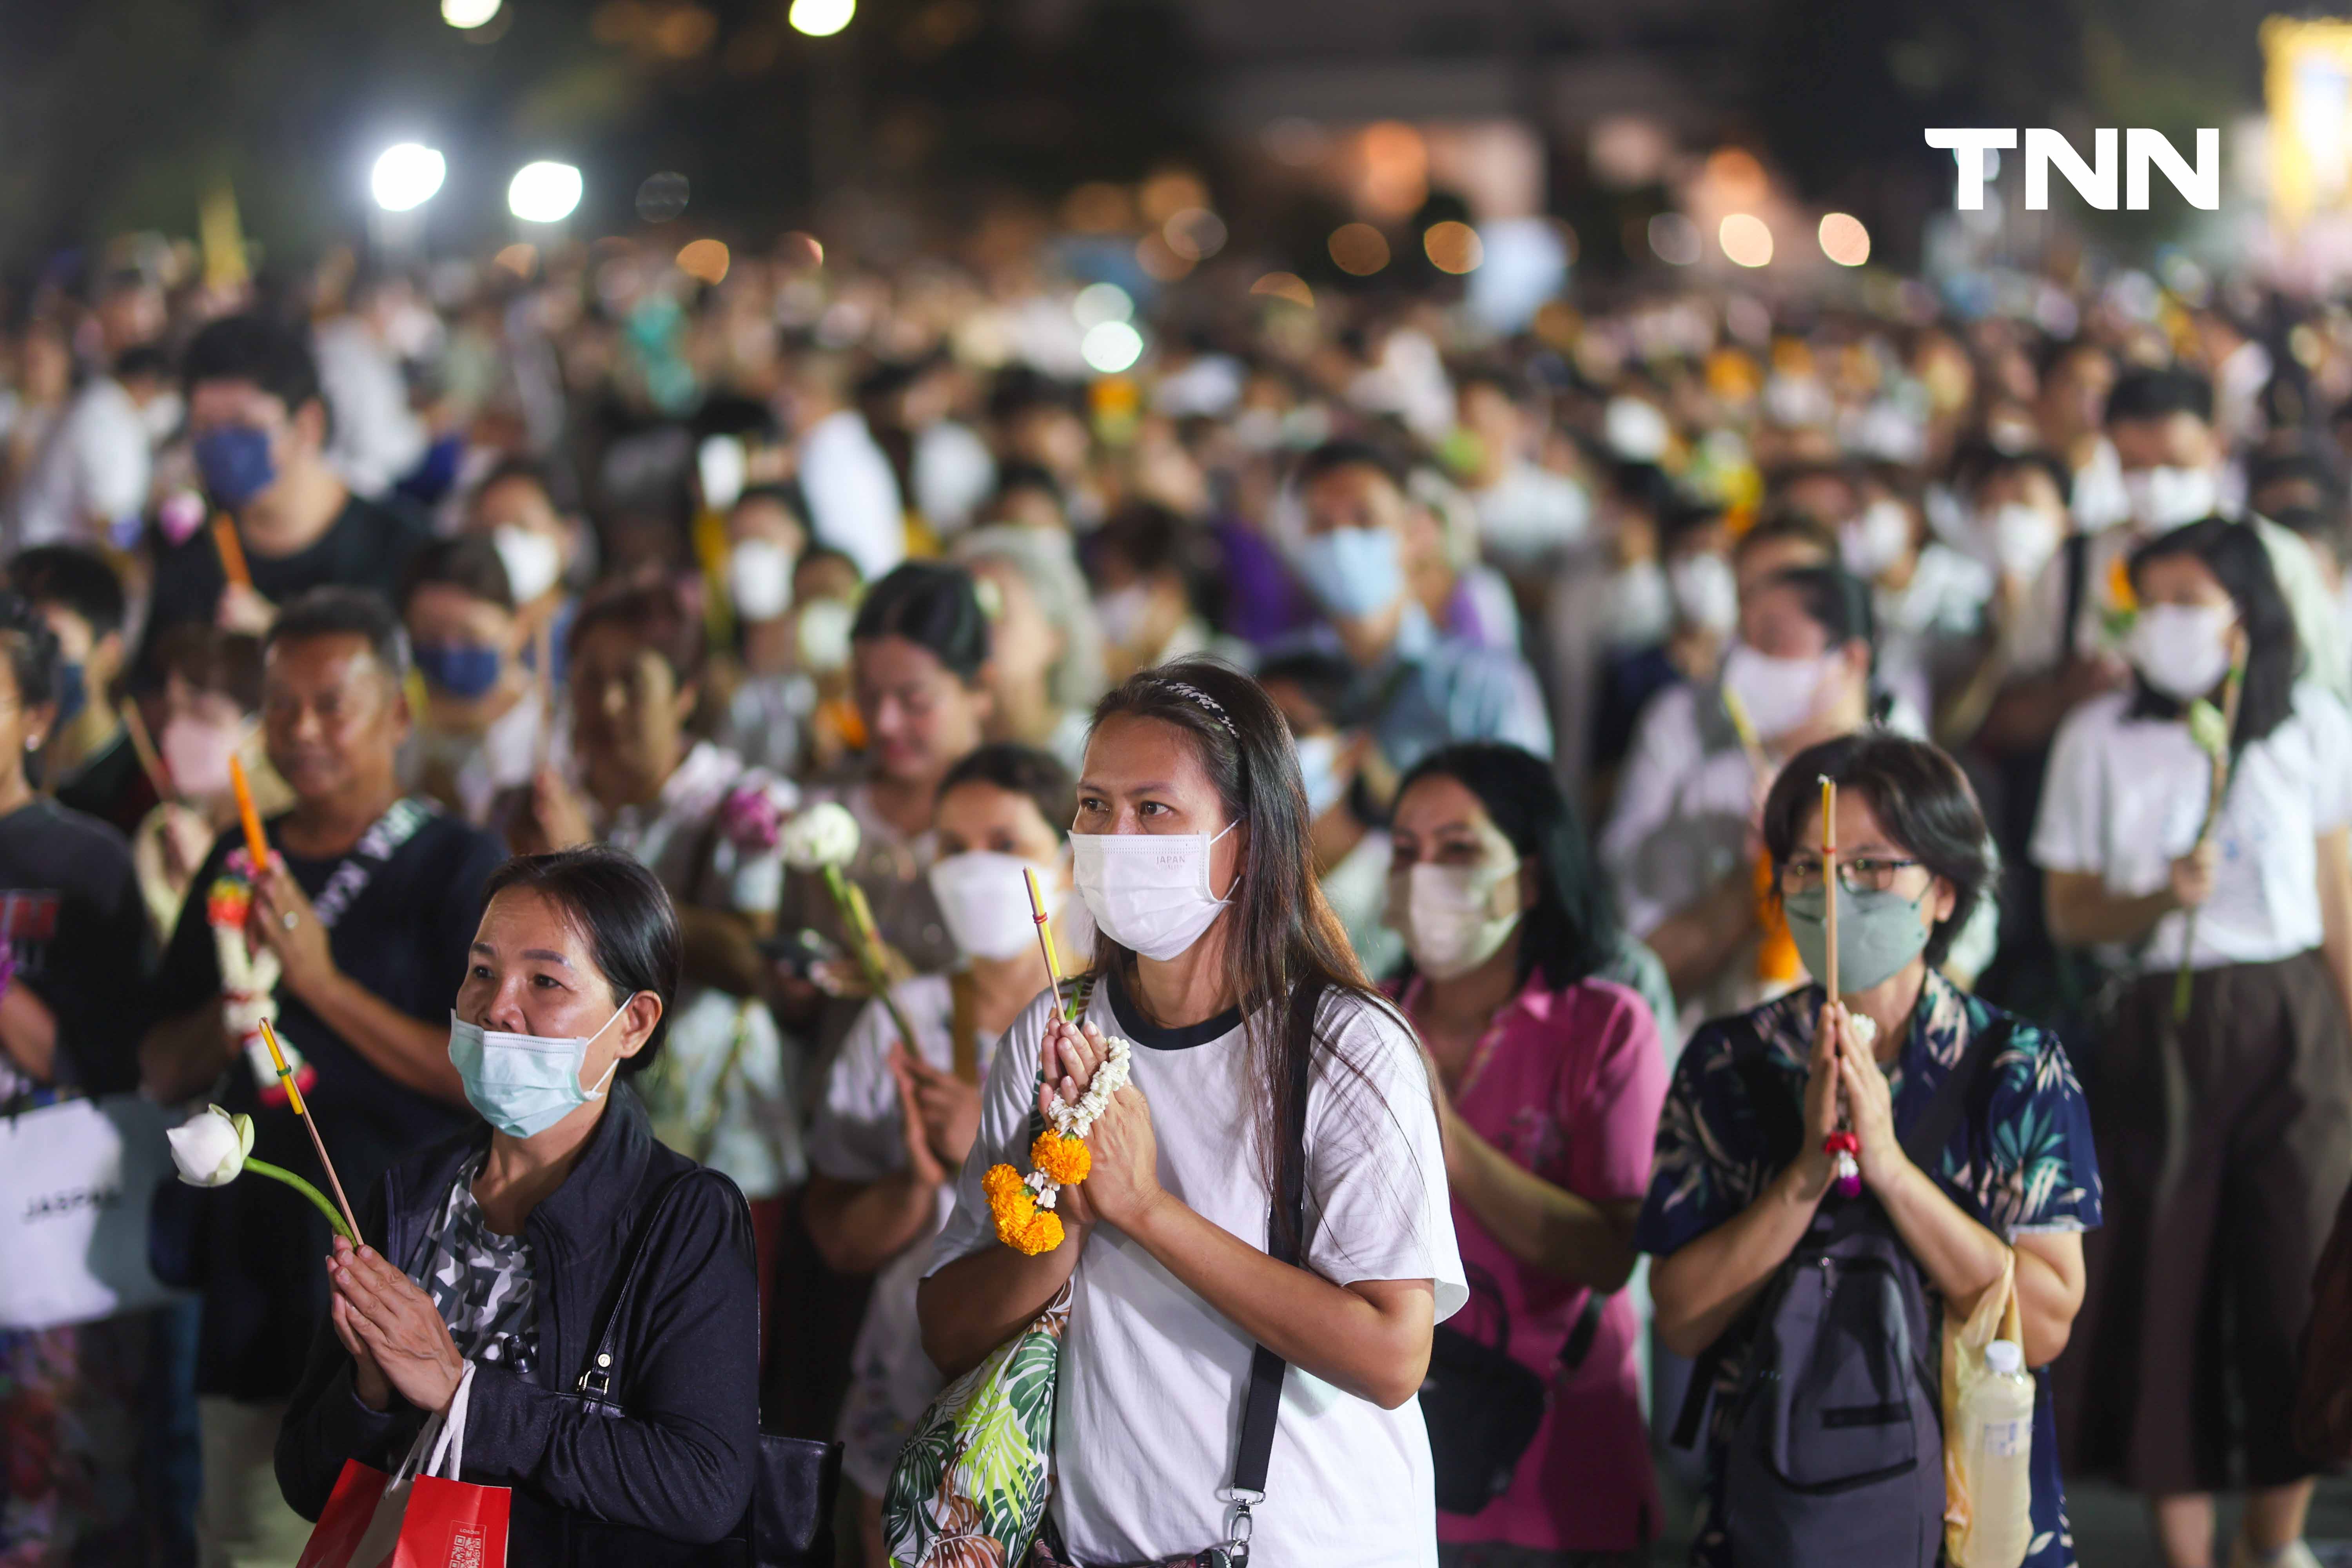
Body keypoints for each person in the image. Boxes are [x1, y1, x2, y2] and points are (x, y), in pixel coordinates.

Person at [919, 657, 1466, 1567]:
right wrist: (1064, 1213)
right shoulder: (1055, 1031)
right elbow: (948, 1327)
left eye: (1154, 809)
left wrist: (1145, 1208)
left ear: (1245, 844)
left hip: (1306, 1542)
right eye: (1094, 807)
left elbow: (1389, 1353)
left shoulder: (1344, 1045)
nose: (1114, 836)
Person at [1639, 731, 2099, 1568]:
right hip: (1779, 1518)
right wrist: (1805, 1176)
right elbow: (1681, 1312)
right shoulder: (1730, 1060)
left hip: (1971, 1517)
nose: (1836, 891)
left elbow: (2045, 1318)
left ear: (1946, 892)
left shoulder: (2015, 1065)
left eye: (1874, 865)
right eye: (1809, 867)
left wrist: (1887, 1165)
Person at [138, 587, 506, 1565]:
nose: (301, 731)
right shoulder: (234, 858)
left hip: (413, 1282)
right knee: (247, 1539)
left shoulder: (459, 866)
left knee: (399, 1543)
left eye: (331, 704)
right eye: (280, 705)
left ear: (396, 713)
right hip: (257, 1279)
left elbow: (487, 1077)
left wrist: (321, 985)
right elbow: (156, 1061)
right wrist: (232, 1014)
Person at [275, 847, 762, 1558]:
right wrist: (370, 1391)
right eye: (481, 972)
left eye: (545, 981)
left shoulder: (685, 1219)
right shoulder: (412, 1195)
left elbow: (705, 1487)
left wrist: (461, 1394)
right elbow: (307, 1482)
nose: (497, 1008)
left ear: (634, 1023)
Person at [2034, 519, 2352, 1568]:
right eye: (2151, 600)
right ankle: (2187, 1554)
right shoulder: (2098, 737)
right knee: (2165, 1282)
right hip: (2156, 1035)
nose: (2167, 623)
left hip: (2289, 1023)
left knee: (2294, 1277)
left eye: (2191, 599)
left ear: (2248, 615)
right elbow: (2071, 912)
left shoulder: (2308, 725)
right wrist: (2153, 899)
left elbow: (2340, 902)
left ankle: (2278, 1540)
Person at [1385, 742, 1669, 1564]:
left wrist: (1448, 1135)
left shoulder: (1604, 1025)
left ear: (1533, 878)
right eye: (1407, 850)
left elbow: (1611, 1252)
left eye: (1461, 849)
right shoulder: (1366, 1019)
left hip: (1559, 1464)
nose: (1425, 872)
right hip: (1398, 1451)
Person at [804, 743, 1080, 1565]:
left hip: (1078, 1407)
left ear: (1069, 856)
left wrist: (990, 1142)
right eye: (955, 848)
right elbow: (838, 1237)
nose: (976, 869)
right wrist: (918, 1181)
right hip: (915, 1375)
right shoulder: (904, 1021)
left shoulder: (1118, 1023)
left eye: (1005, 843)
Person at [521, 579, 804, 1315]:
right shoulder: (546, 797)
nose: (607, 705)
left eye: (632, 682)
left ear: (684, 693)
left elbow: (750, 960)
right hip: (582, 1141)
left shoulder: (743, 803)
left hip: (719, 1137)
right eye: (588, 679)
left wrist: (587, 857)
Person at [0, 588, 181, 1564]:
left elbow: (103, 1063)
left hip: (49, 1233)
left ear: (36, 716)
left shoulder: (85, 860)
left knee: (64, 1508)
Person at [1601, 564, 1881, 1025]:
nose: (1745, 666)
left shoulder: (1907, 790)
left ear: (1850, 660)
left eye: (1772, 642)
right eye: (1742, 640)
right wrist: (1756, 878)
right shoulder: (1711, 791)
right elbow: (1643, 969)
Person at [780, 561, 995, 1041]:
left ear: (980, 687)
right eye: (867, 694)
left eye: (914, 701)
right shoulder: (823, 806)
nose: (884, 723)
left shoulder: (1019, 823)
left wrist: (921, 994)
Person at [142, 315, 429, 648]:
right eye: (205, 428)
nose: (222, 447)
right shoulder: (186, 542)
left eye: (244, 426)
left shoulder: (400, 549)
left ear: (309, 424)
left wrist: (286, 639)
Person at [1290, 440, 1553, 775]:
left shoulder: (1485, 687)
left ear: (1417, 532)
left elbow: (1522, 817)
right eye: (1323, 523)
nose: (1342, 539)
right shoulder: (1279, 682)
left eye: (1365, 518)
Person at [1258, 648, 1403, 980]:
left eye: (1295, 729)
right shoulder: (1240, 858)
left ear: (1353, 749)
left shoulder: (1394, 876)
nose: (1272, 753)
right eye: (1260, 734)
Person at [398, 534, 549, 829]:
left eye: (470, 635)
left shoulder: (553, 727)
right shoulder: (393, 726)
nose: (450, 650)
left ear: (517, 627)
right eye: (430, 634)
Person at [9, 544, 148, 832]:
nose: (36, 664)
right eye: (25, 647)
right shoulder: (15, 767)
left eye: (54, 642)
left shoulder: (141, 790)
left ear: (110, 655)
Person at [953, 522, 1106, 773]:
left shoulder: (1095, 756)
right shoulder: (940, 751)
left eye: (994, 607)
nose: (972, 628)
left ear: (1055, 637)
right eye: (961, 611)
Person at [713, 482, 815, 777]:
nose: (749, 560)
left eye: (763, 541)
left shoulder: (827, 657)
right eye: (739, 544)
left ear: (801, 541)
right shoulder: (715, 669)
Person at [463, 458, 586, 689]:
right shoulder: (461, 637)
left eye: (522, 528)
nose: (503, 544)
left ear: (570, 535)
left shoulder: (587, 637)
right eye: (488, 530)